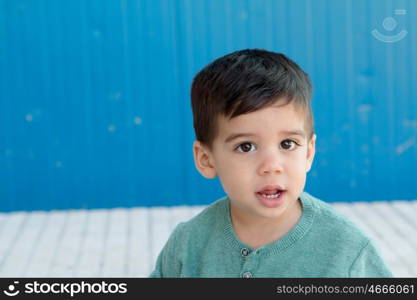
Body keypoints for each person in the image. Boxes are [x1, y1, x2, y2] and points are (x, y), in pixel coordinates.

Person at [149, 49, 392, 278]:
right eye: (246, 146)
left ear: (308, 153)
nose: (271, 166)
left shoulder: (347, 249)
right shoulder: (188, 243)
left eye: (287, 144)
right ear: (206, 159)